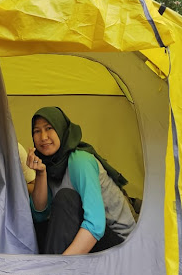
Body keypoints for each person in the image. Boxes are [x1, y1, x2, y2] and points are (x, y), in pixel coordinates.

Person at [27, 106, 136, 255]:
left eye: (49, 128)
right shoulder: (51, 164)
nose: (43, 137)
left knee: (67, 197)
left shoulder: (80, 161)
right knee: (39, 225)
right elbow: (40, 215)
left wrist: (57, 266)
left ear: (61, 129)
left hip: (122, 246)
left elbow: (96, 225)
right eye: (37, 131)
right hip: (89, 237)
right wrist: (41, 174)